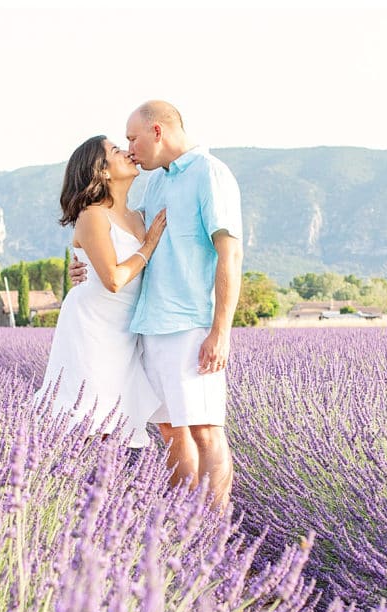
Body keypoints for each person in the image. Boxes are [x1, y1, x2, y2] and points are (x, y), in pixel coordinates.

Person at [71, 100, 244, 508]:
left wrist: (220, 330)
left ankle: (214, 532)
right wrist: (81, 266)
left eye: (132, 138)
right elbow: (114, 232)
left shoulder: (210, 174)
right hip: (149, 324)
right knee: (170, 428)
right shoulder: (155, 182)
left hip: (190, 324)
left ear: (157, 132)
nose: (130, 148)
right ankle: (183, 525)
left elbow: (230, 256)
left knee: (204, 429)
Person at [35, 135, 167, 448]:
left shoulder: (139, 216)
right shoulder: (92, 214)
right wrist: (148, 245)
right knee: (89, 418)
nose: (128, 153)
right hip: (92, 325)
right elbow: (113, 279)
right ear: (102, 171)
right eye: (117, 151)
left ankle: (106, 491)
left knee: (116, 419)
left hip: (125, 329)